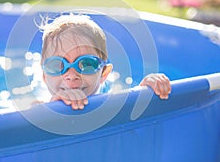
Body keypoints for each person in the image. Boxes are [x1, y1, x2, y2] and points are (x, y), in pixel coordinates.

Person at [40, 14, 171, 110]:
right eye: (57, 65)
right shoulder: (38, 110)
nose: (71, 75)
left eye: (86, 64)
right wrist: (50, 110)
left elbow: (133, 112)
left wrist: (145, 90)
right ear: (44, 76)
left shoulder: (112, 106)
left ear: (104, 73)